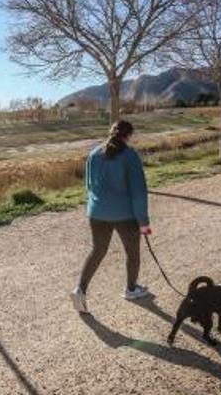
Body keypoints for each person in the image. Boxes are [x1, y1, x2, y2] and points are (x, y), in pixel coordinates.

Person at [71, 120, 153, 314]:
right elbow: (139, 191)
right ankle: (131, 289)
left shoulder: (93, 154)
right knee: (132, 252)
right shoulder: (130, 155)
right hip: (125, 215)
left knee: (97, 251)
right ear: (128, 135)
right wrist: (144, 222)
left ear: (110, 133)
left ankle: (80, 290)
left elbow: (89, 186)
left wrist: (97, 204)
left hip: (97, 213)